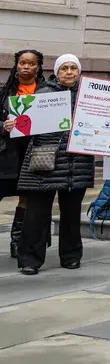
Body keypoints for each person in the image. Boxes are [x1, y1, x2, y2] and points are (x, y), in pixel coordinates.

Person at [11, 55, 93, 275]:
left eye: (73, 68)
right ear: (57, 72)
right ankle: (29, 259)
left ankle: (71, 256)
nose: (69, 72)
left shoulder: (91, 95)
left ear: (79, 71)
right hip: (45, 161)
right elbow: (25, 125)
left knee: (72, 212)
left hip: (77, 163)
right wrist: (13, 123)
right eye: (64, 68)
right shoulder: (44, 94)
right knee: (36, 213)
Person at [0, 50, 46, 259]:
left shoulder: (47, 93)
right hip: (6, 154)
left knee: (26, 198)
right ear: (16, 65)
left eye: (31, 64)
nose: (26, 67)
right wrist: (3, 126)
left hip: (34, 152)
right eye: (22, 63)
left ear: (38, 67)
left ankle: (18, 242)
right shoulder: (4, 92)